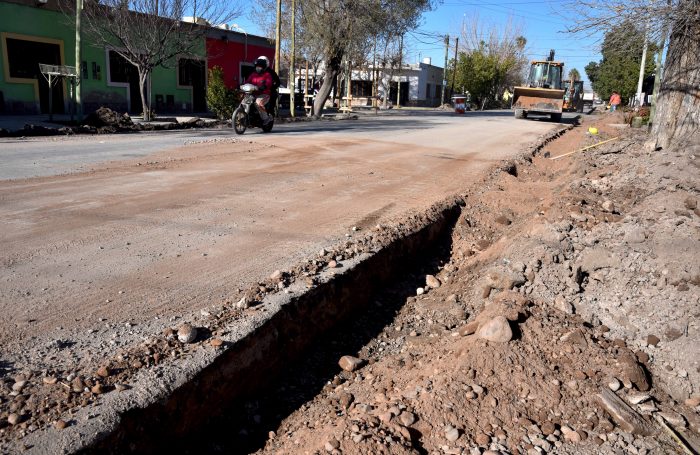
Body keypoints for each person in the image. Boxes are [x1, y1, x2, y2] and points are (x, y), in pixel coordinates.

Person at [245, 58, 274, 124]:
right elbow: (247, 82)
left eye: (260, 66)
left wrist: (264, 86)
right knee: (244, 101)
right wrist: (242, 85)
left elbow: (269, 83)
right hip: (252, 93)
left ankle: (266, 118)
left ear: (263, 67)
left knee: (258, 103)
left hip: (264, 94)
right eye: (257, 66)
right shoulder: (253, 75)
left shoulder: (267, 75)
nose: (258, 68)